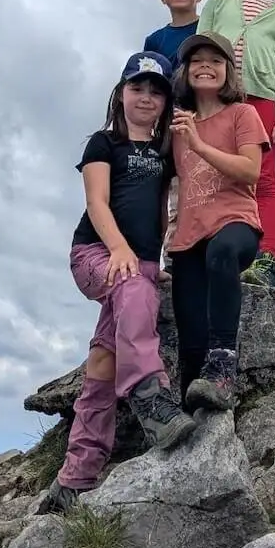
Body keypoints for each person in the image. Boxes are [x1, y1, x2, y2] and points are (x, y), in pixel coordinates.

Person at [40, 52, 194, 516]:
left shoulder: (165, 151)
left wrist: (156, 259)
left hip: (141, 267)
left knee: (102, 366)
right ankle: (149, 395)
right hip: (95, 255)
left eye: (156, 90)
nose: (146, 97)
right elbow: (97, 202)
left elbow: (167, 206)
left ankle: (75, 477)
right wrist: (122, 251)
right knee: (131, 286)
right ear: (121, 93)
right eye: (137, 88)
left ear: (165, 100)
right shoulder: (103, 144)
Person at [169, 32, 269, 410]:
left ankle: (225, 362)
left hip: (235, 222)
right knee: (191, 342)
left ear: (229, 71)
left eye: (215, 60)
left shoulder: (243, 114)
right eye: (197, 60)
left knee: (222, 253)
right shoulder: (176, 123)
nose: (206, 66)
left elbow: (250, 171)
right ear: (186, 71)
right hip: (188, 237)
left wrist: (198, 144)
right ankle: (190, 424)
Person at [197, 0, 275, 288]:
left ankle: (267, 256)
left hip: (261, 103)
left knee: (265, 180)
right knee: (214, 175)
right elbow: (200, 52)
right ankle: (209, 250)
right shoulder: (218, 4)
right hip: (218, 100)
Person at [144, 0, 206, 276]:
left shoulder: (207, 28)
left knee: (191, 189)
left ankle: (181, 256)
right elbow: (147, 83)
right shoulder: (155, 40)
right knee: (158, 189)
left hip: (199, 120)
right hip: (164, 122)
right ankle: (153, 259)